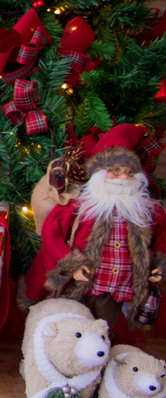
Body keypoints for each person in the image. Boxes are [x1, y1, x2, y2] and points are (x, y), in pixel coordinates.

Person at [24, 123, 166, 331]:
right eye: (116, 171)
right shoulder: (80, 206)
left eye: (129, 172)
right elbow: (51, 231)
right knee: (72, 325)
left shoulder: (149, 211)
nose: (123, 177)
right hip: (81, 284)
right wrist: (70, 263)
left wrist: (160, 264)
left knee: (105, 328)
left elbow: (162, 237)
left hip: (117, 289)